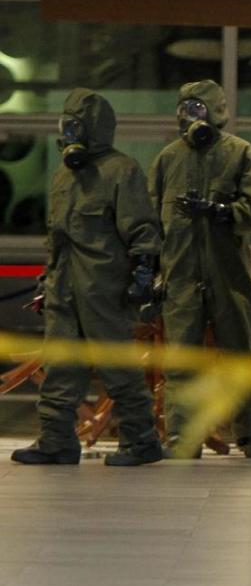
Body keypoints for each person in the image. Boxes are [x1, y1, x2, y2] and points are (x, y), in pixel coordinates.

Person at [11, 88, 164, 466]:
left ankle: (141, 442)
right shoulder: (64, 175)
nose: (70, 132)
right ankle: (57, 440)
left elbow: (142, 230)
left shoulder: (121, 171)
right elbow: (58, 236)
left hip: (104, 286)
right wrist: (48, 281)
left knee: (117, 365)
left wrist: (143, 277)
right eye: (67, 124)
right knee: (61, 363)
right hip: (65, 286)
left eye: (78, 125)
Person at [148, 79, 251, 458]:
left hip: (228, 273)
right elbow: (152, 223)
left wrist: (220, 212)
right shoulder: (168, 159)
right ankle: (183, 438)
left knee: (240, 356)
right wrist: (150, 272)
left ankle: (250, 435)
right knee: (181, 360)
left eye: (198, 108)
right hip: (181, 275)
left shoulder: (241, 154)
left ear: (216, 110)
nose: (190, 117)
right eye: (185, 109)